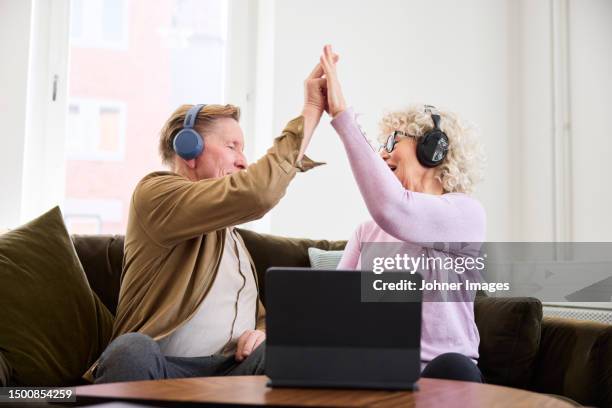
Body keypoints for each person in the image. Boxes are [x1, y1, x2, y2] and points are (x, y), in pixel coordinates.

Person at [83, 60, 333, 383]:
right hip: (165, 370)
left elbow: (259, 316)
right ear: (188, 149)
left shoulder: (234, 240)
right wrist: (312, 108)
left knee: (283, 351)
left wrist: (261, 332)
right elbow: (257, 193)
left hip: (232, 374)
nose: (243, 160)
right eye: (232, 147)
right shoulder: (155, 194)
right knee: (130, 350)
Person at [320, 45, 486, 382]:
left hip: (442, 372)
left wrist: (342, 116)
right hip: (377, 369)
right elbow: (332, 308)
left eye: (393, 139)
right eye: (381, 142)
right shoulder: (366, 231)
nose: (381, 152)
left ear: (433, 149)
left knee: (454, 368)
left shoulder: (467, 214)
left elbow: (395, 209)